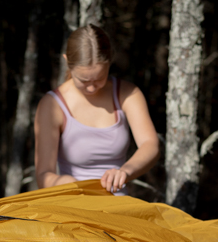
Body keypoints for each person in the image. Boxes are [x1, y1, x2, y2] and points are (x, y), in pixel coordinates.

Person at [34, 25, 159, 196]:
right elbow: (43, 175)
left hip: (117, 203)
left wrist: (125, 171)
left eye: (100, 78)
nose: (92, 88)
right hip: (72, 201)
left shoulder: (127, 94)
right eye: (84, 80)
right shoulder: (52, 104)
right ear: (67, 63)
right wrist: (68, 184)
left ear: (109, 62)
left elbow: (150, 144)